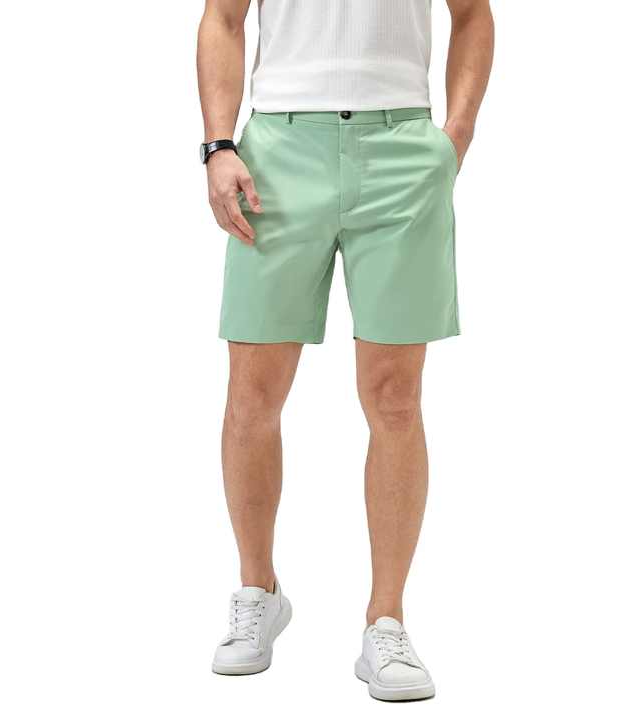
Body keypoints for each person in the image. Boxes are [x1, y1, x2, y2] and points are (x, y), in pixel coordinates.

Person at [197, 0, 493, 701]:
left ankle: (386, 619)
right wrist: (218, 145)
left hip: (401, 148)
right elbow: (223, 18)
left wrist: (454, 136)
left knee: (394, 398)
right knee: (252, 395)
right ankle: (257, 590)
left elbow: (473, 14)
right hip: (278, 150)